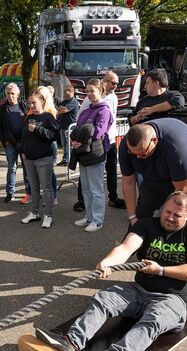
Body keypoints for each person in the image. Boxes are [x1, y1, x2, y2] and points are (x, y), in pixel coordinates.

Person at [36, 191, 187, 351]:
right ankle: (71, 342)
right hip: (139, 290)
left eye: (177, 215)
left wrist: (160, 270)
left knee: (155, 318)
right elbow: (126, 248)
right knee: (104, 299)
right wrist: (108, 262)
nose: (170, 217)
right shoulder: (146, 225)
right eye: (167, 211)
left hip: (172, 299)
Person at [119, 118, 187, 305]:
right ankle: (141, 256)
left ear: (154, 141)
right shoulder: (128, 146)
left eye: (142, 154)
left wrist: (169, 218)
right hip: (156, 177)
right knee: (142, 214)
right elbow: (128, 183)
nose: (137, 157)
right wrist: (132, 218)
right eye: (134, 154)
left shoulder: (177, 148)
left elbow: (181, 193)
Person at [73, 70, 124, 211]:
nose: (115, 86)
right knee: (88, 169)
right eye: (112, 83)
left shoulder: (114, 97)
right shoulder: (90, 98)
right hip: (94, 143)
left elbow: (112, 118)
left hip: (110, 140)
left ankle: (113, 197)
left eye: (117, 84)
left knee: (111, 169)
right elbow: (80, 119)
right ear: (104, 81)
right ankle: (82, 201)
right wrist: (82, 137)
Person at [70, 78, 113, 232]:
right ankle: (89, 216)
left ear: (100, 90)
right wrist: (75, 140)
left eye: (92, 91)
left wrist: (79, 140)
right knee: (86, 189)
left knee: (96, 189)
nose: (89, 94)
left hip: (95, 153)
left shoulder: (104, 110)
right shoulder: (87, 110)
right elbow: (78, 129)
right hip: (83, 153)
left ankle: (98, 220)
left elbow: (98, 132)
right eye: (87, 91)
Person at [20, 92, 59, 229]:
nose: (31, 105)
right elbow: (23, 137)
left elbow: (54, 136)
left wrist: (37, 129)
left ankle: (48, 215)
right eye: (29, 103)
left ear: (42, 102)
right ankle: (34, 213)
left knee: (47, 188)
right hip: (29, 159)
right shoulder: (28, 117)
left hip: (44, 158)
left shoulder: (48, 117)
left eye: (34, 102)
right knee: (34, 187)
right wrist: (23, 153)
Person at [0, 83, 30, 203]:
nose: (10, 96)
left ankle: (29, 192)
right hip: (10, 144)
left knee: (27, 168)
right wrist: (5, 141)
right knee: (12, 168)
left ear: (18, 94)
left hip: (24, 143)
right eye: (8, 93)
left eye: (12, 93)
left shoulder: (24, 106)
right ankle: (10, 192)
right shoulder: (2, 109)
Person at [57, 85, 79, 166]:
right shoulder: (64, 101)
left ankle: (71, 160)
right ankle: (65, 159)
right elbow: (59, 109)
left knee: (69, 144)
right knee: (64, 145)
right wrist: (61, 109)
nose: (64, 94)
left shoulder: (74, 101)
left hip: (70, 127)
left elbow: (64, 110)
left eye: (66, 92)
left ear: (71, 92)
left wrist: (62, 109)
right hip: (63, 126)